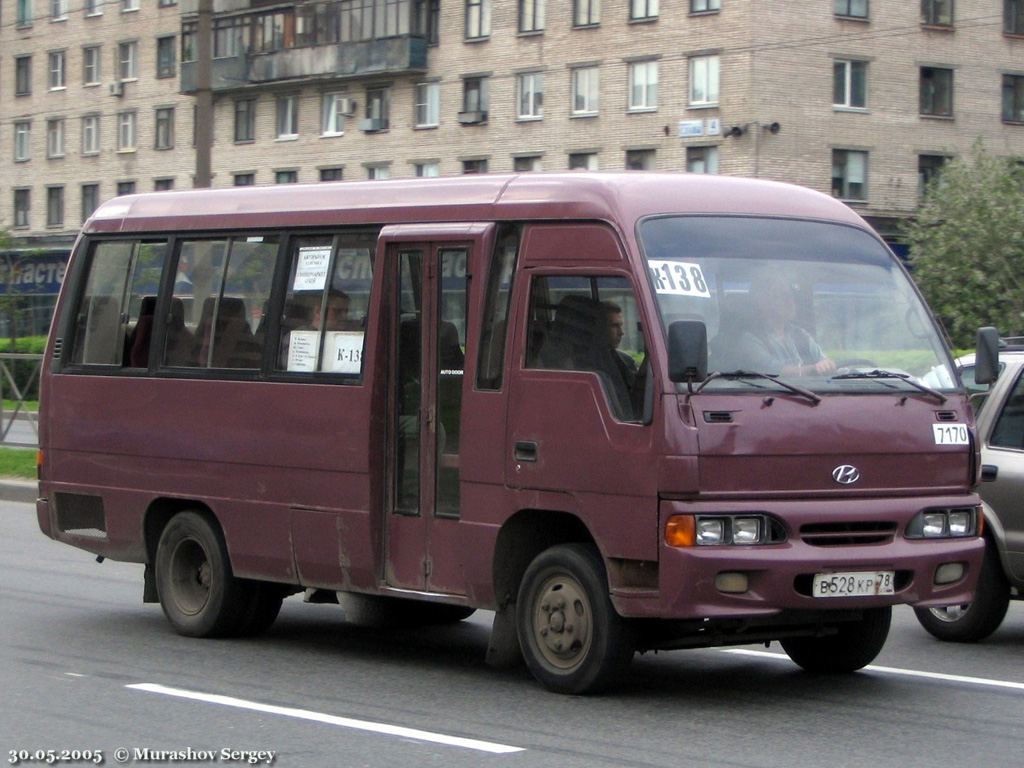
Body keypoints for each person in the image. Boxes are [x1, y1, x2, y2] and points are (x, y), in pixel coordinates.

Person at [732, 276, 835, 377]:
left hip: (812, 392)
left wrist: (827, 364)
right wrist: (814, 368)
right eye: (781, 295)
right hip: (771, 393)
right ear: (762, 303)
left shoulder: (800, 334)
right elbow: (776, 372)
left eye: (790, 295)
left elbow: (822, 360)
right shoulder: (750, 341)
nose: (789, 301)